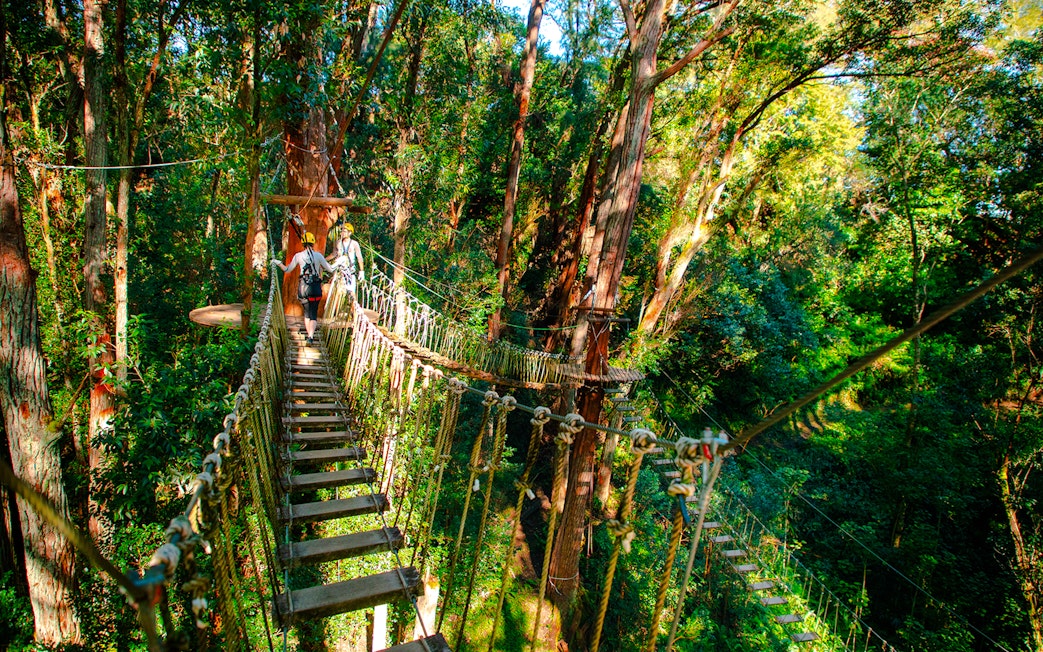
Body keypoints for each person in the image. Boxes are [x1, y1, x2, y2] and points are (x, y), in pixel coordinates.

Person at [275, 231, 333, 345]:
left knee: (307, 313)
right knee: (313, 313)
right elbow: (330, 269)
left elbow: (287, 270)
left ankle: (308, 335)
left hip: (304, 288)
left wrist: (277, 262)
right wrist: (340, 263)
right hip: (315, 288)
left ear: (303, 243)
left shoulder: (298, 256)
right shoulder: (318, 256)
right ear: (313, 243)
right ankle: (311, 336)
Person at [328, 222, 365, 298]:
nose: (342, 233)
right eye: (342, 231)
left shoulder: (354, 244)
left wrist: (361, 271)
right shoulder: (338, 242)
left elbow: (359, 258)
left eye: (344, 231)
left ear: (350, 233)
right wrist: (323, 260)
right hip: (340, 270)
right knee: (335, 292)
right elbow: (334, 254)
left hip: (350, 271)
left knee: (351, 293)